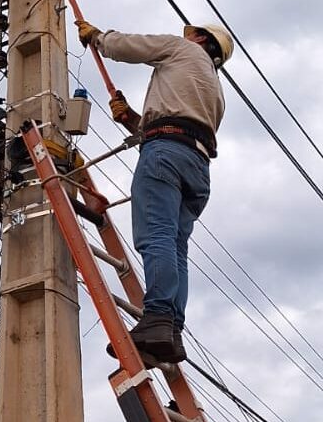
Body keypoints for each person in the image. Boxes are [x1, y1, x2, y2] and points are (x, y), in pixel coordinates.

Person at [76, 20, 234, 363]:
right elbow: (179, 125)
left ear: (201, 39)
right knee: (176, 247)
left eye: (192, 31)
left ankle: (159, 317)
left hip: (165, 153)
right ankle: (170, 329)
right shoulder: (215, 89)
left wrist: (99, 38)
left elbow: (127, 46)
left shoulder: (181, 49)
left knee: (157, 235)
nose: (186, 34)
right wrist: (133, 119)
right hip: (197, 166)